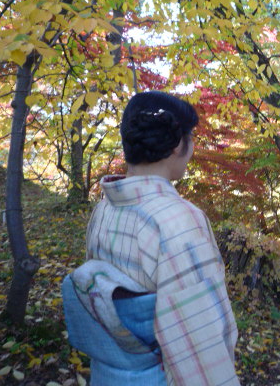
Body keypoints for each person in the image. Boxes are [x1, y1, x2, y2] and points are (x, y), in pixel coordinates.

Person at [62, 91, 239, 386]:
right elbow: (198, 337)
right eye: (190, 137)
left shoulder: (104, 208)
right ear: (176, 144)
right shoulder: (178, 219)